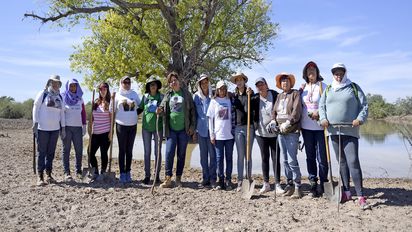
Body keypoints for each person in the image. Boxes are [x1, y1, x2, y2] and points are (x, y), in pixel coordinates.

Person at [319, 63, 369, 209]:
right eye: (335, 73)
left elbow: (364, 105)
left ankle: (360, 196)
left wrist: (359, 119)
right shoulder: (329, 89)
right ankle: (346, 192)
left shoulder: (353, 87)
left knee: (353, 161)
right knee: (341, 162)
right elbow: (322, 106)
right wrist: (323, 119)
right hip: (333, 131)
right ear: (333, 74)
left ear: (345, 73)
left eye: (341, 72)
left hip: (350, 130)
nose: (338, 75)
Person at [157, 72, 196, 188]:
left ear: (179, 81)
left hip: (184, 130)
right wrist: (159, 110)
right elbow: (163, 108)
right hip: (171, 130)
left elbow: (193, 112)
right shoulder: (168, 95)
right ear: (169, 84)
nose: (173, 82)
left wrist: (192, 127)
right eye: (171, 81)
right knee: (169, 153)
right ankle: (168, 178)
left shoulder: (186, 94)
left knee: (181, 154)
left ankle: (178, 178)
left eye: (175, 80)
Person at [268, 72, 303, 199]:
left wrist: (289, 122)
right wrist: (273, 120)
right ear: (280, 84)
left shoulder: (295, 94)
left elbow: (296, 111)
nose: (285, 83)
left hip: (292, 131)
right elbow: (274, 111)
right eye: (282, 81)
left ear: (290, 82)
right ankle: (290, 184)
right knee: (285, 160)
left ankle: (298, 185)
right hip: (280, 132)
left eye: (287, 81)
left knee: (292, 159)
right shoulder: (279, 96)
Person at [299, 61, 328, 197]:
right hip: (306, 127)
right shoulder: (303, 88)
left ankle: (323, 183)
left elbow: (329, 106)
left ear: (317, 72)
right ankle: (313, 183)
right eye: (308, 70)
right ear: (305, 73)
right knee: (309, 156)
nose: (311, 72)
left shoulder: (323, 86)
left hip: (320, 128)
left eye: (313, 69)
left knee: (322, 157)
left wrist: (320, 114)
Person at [250, 77, 284, 194]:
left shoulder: (275, 95)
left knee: (276, 159)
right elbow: (244, 104)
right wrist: (246, 94)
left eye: (262, 84)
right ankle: (266, 184)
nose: (260, 87)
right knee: (264, 158)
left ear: (266, 84)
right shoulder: (254, 98)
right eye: (258, 85)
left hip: (275, 133)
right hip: (260, 133)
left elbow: (283, 104)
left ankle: (278, 183)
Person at [32, 75, 66, 186]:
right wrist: (35, 122)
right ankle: (40, 176)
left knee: (51, 153)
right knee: (42, 152)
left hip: (55, 129)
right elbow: (36, 107)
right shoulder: (43, 93)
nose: (55, 85)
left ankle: (49, 174)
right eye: (53, 83)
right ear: (50, 83)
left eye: (57, 83)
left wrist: (63, 127)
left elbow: (62, 113)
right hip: (43, 129)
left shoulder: (60, 97)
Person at [207, 80, 235, 190]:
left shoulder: (229, 100)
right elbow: (210, 119)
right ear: (217, 90)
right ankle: (221, 180)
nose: (222, 91)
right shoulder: (214, 101)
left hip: (229, 136)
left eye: (224, 88)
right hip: (218, 136)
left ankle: (228, 180)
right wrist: (211, 134)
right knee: (219, 159)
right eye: (220, 89)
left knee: (229, 158)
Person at [113, 76, 140, 183]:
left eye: (129, 82)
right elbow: (112, 110)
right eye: (125, 82)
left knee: (129, 150)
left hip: (133, 126)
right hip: (121, 126)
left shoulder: (134, 94)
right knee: (122, 150)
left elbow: (140, 106)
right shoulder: (116, 95)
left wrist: (134, 115)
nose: (127, 84)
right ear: (121, 83)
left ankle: (128, 172)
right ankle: (122, 173)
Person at [230, 72, 254, 191]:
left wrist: (251, 94)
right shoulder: (233, 95)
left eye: (241, 79)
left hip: (249, 127)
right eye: (237, 80)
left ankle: (248, 177)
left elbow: (254, 106)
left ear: (244, 81)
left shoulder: (250, 93)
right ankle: (240, 180)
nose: (239, 81)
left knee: (248, 155)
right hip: (238, 128)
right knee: (240, 155)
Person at [138, 77, 164, 185]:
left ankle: (157, 176)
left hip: (158, 128)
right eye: (150, 84)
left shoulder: (162, 97)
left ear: (157, 86)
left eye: (154, 84)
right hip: (146, 129)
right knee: (147, 152)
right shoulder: (145, 97)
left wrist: (161, 111)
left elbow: (166, 111)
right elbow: (139, 110)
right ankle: (147, 176)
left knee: (157, 152)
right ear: (148, 87)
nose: (152, 86)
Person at [193, 73, 217, 188]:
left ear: (208, 82)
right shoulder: (196, 96)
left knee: (213, 155)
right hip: (201, 130)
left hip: (212, 130)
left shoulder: (214, 96)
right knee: (203, 156)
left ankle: (213, 179)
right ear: (199, 84)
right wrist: (193, 131)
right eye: (202, 82)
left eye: (206, 82)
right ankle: (205, 178)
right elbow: (193, 115)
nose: (204, 84)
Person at [61, 79, 87, 181]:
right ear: (68, 87)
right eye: (71, 86)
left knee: (79, 150)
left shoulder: (80, 98)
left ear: (77, 87)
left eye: (74, 86)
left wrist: (84, 126)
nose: (73, 88)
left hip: (77, 128)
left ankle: (78, 171)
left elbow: (83, 113)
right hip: (67, 127)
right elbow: (61, 113)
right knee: (66, 150)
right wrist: (62, 127)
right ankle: (66, 172)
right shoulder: (63, 97)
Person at [89, 82, 112, 179]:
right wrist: (89, 129)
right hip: (95, 133)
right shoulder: (96, 102)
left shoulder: (110, 102)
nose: (103, 91)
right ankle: (95, 171)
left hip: (105, 133)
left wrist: (111, 132)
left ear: (107, 90)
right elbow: (92, 118)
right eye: (101, 89)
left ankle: (103, 172)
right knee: (90, 152)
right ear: (99, 91)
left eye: (105, 89)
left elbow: (112, 119)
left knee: (103, 153)